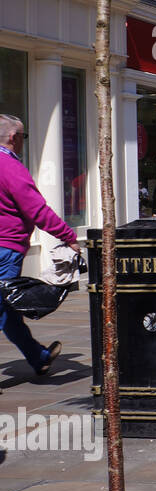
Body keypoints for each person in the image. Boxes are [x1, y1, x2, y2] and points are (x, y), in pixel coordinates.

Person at [0, 115, 78, 375]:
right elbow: (37, 210)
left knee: (8, 308)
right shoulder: (10, 167)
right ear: (14, 138)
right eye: (24, 136)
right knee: (3, 306)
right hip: (6, 248)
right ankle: (38, 356)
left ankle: (38, 356)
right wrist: (67, 235)